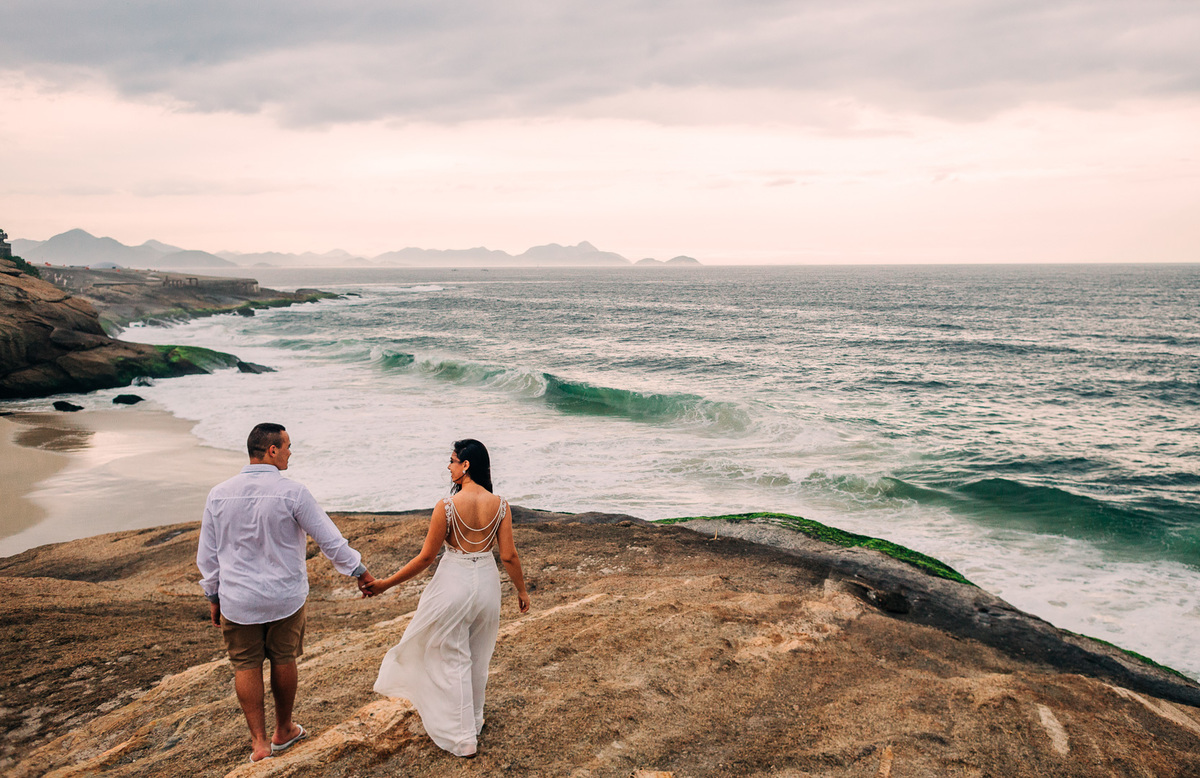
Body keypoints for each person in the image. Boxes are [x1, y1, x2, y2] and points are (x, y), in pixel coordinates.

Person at [197, 422, 377, 763]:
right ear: (272, 450)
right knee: (283, 658)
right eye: (288, 446)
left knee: (245, 665)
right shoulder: (293, 492)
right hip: (285, 597)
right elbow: (329, 539)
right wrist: (359, 570)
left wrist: (213, 595)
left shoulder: (219, 494)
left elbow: (208, 554)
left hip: (238, 599)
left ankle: (260, 744)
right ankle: (284, 731)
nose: (291, 452)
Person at [367, 438, 530, 758]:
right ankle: (474, 720)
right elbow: (509, 556)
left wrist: (386, 584)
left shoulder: (446, 506)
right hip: (486, 583)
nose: (449, 465)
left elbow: (426, 558)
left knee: (449, 656)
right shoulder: (501, 505)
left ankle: (463, 738)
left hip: (453, 581)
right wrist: (521, 591)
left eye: (453, 460)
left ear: (466, 465)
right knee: (478, 656)